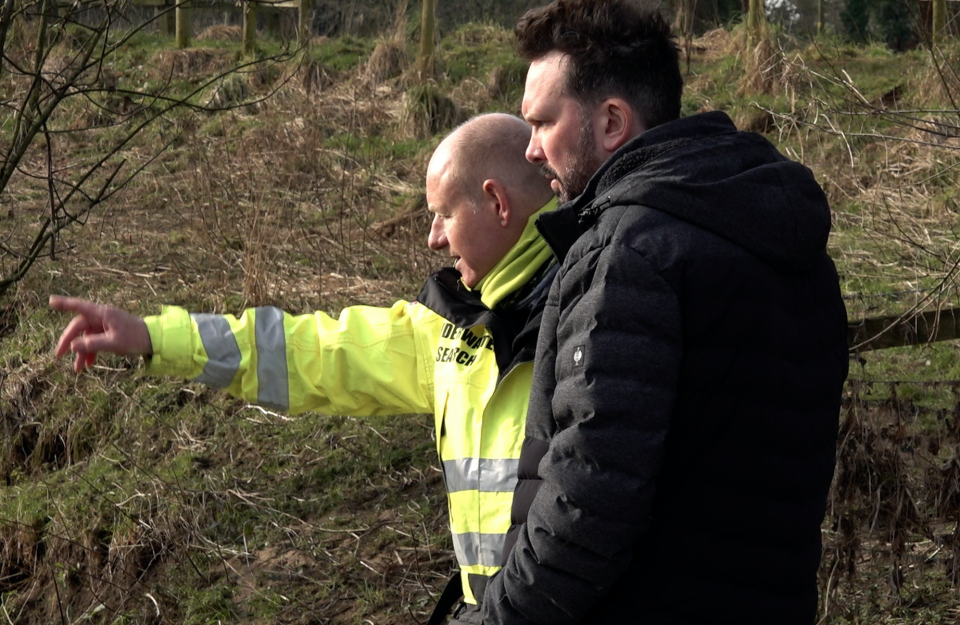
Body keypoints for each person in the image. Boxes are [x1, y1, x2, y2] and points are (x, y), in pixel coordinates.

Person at [50, 113, 556, 625]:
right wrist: (155, 337)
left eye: (444, 214)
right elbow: (308, 352)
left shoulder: (595, 322)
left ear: (497, 203)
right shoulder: (449, 328)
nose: (433, 239)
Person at [482, 2, 850, 624]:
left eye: (542, 123)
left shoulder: (629, 253)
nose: (531, 151)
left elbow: (585, 509)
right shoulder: (781, 239)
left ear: (612, 122)